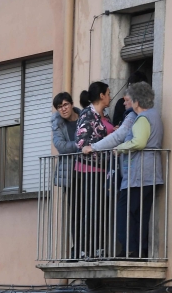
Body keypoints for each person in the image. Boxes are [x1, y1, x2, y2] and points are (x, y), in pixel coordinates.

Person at [112, 81, 164, 258]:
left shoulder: (143, 118)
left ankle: (130, 250)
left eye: (131, 100)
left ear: (136, 101)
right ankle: (139, 250)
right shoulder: (155, 115)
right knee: (140, 214)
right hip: (149, 174)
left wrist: (119, 148)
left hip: (138, 175)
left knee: (125, 212)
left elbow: (140, 142)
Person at [70, 81, 114, 258]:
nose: (110, 96)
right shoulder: (88, 114)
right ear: (102, 96)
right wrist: (97, 148)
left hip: (103, 171)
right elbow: (81, 142)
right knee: (90, 210)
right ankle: (85, 250)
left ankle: (98, 248)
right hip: (88, 170)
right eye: (108, 93)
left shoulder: (105, 116)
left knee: (100, 210)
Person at [51, 92, 80, 187]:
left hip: (88, 167)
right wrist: (80, 145)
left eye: (65, 104)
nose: (63, 109)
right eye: (59, 107)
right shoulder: (58, 124)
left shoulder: (84, 118)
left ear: (72, 104)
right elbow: (61, 146)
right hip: (69, 172)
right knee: (73, 201)